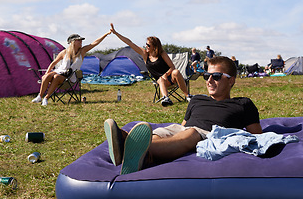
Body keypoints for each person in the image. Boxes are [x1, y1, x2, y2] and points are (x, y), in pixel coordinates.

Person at [104, 56, 262, 174]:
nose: (210, 80)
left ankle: (128, 146)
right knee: (161, 133)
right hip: (183, 131)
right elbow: (183, 125)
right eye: (207, 76)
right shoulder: (197, 99)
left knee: (191, 133)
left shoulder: (243, 104)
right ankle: (141, 154)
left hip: (210, 135)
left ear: (231, 81)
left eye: (217, 76)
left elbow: (257, 136)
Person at [110, 23, 191, 107]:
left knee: (176, 71)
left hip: (171, 78)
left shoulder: (162, 54)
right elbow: (130, 43)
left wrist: (166, 74)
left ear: (154, 47)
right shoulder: (145, 55)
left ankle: (188, 96)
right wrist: (116, 33)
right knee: (161, 79)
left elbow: (172, 67)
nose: (146, 46)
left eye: (148, 45)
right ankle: (166, 98)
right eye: (146, 44)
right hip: (161, 81)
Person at [32, 31, 111, 106]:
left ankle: (46, 98)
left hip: (70, 77)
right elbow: (53, 63)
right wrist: (47, 73)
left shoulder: (82, 51)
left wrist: (106, 34)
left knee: (56, 77)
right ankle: (40, 96)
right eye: (78, 40)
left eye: (81, 40)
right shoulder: (64, 52)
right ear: (72, 42)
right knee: (46, 76)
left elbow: (95, 43)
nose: (81, 42)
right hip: (60, 71)